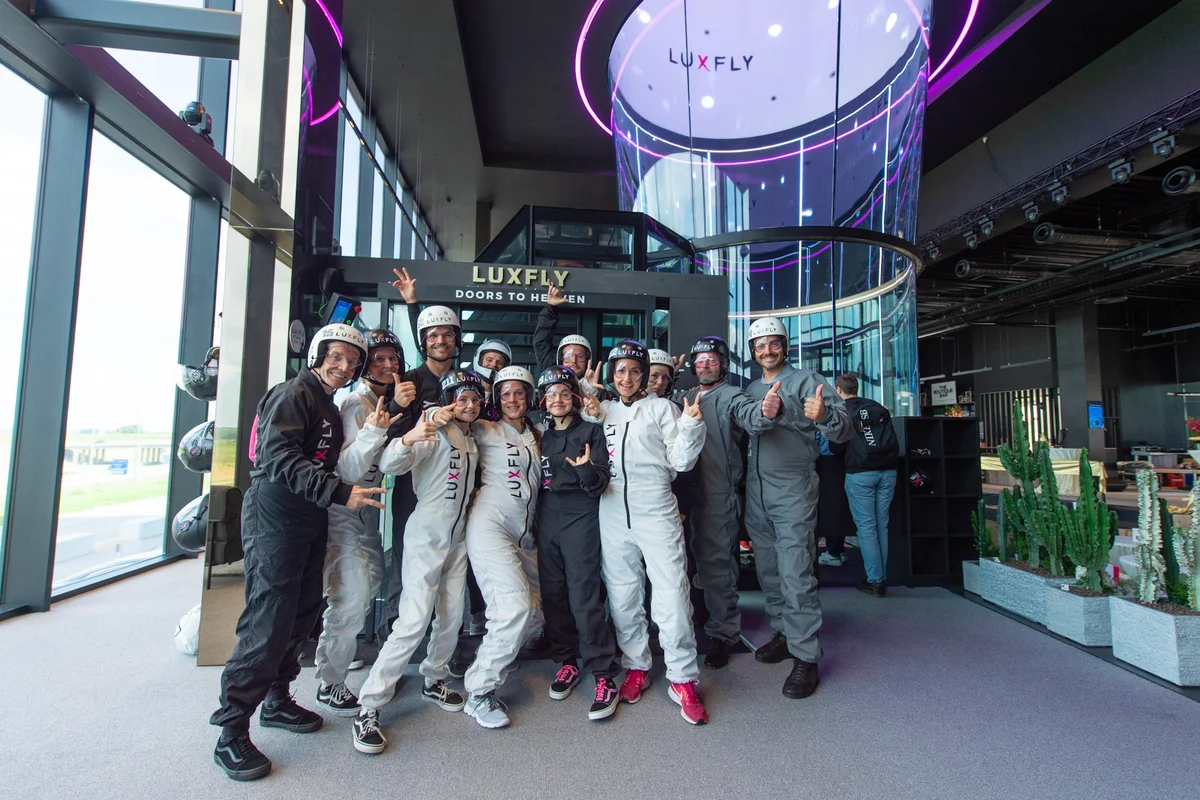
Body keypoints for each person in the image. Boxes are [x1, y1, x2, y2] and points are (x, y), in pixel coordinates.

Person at [210, 324, 386, 782]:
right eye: (337, 356)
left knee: (304, 612)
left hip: (308, 516)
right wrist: (337, 491)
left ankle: (277, 700)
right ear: (318, 355)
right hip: (275, 513)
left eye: (352, 360)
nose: (344, 365)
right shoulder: (293, 394)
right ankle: (231, 730)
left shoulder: (327, 403)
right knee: (268, 618)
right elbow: (276, 457)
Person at [349, 370, 484, 755]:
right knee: (413, 620)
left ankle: (434, 677)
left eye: (475, 399)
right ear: (447, 399)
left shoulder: (471, 437)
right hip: (427, 532)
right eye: (462, 399)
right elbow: (392, 464)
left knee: (451, 613)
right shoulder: (431, 429)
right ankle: (369, 705)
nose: (469, 405)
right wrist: (410, 434)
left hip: (456, 537)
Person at [586, 340, 708, 725]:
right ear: (612, 375)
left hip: (655, 506)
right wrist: (588, 397)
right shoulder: (601, 411)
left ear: (644, 374)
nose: (626, 378)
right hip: (610, 506)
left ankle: (682, 678)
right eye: (620, 371)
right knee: (622, 594)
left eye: (634, 371)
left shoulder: (662, 408)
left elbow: (681, 461)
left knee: (671, 592)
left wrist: (690, 424)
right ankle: (636, 665)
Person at [742, 316, 852, 701]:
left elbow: (843, 430)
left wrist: (823, 416)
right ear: (753, 351)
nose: (767, 350)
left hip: (793, 488)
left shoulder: (810, 381)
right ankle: (785, 633)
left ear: (785, 346)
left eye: (774, 343)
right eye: (760, 345)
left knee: (796, 572)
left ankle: (806, 656)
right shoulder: (753, 387)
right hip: (757, 492)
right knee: (769, 571)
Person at [313, 328, 407, 716]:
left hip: (369, 507)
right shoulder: (357, 403)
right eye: (378, 359)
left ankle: (339, 652)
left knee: (367, 586)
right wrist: (376, 430)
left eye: (393, 359)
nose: (387, 365)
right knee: (349, 595)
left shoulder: (386, 400)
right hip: (345, 505)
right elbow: (347, 468)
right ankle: (329, 682)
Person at [678, 336, 779, 669]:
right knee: (687, 566)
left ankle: (723, 633)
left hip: (717, 494)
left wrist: (763, 412)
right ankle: (697, 619)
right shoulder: (685, 397)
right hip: (681, 495)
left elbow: (750, 415)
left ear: (722, 363)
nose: (705, 365)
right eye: (700, 360)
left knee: (717, 568)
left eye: (711, 359)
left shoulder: (732, 395)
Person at [459, 366, 543, 728]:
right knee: (514, 607)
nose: (512, 399)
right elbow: (454, 418)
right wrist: (437, 413)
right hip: (490, 526)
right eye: (505, 393)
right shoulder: (484, 429)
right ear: (496, 399)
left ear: (529, 397)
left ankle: (499, 650)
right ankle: (479, 691)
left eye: (519, 393)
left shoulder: (539, 436)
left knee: (537, 614)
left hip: (525, 534)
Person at [535, 366, 621, 721]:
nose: (557, 399)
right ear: (543, 400)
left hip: (580, 512)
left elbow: (601, 482)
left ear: (575, 397)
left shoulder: (591, 430)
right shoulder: (538, 433)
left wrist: (586, 469)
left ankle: (604, 675)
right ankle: (566, 661)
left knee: (583, 593)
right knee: (553, 593)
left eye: (564, 393)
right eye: (551, 394)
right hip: (547, 513)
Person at [834, 372, 899, 597]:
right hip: (888, 471)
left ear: (838, 389)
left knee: (867, 528)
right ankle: (880, 576)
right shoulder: (875, 406)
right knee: (882, 526)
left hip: (860, 473)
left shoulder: (843, 410)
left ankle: (875, 580)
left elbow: (837, 447)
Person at [533, 283, 593, 378]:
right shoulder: (551, 374)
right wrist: (550, 308)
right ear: (561, 359)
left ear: (588, 360)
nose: (573, 361)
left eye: (580, 357)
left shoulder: (594, 387)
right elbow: (541, 342)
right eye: (568, 356)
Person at [815, 431, 852, 568]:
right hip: (843, 459)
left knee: (830, 508)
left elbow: (816, 438)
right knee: (837, 506)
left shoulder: (822, 413)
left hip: (827, 459)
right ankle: (838, 549)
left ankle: (833, 552)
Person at [471, 338, 512, 421]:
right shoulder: (466, 388)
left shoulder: (505, 396)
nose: (494, 365)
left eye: (499, 362)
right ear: (480, 361)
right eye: (489, 360)